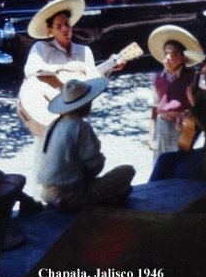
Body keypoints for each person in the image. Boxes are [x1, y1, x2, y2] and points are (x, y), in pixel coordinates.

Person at [37, 77, 136, 212]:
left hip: (47, 193)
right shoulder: (80, 126)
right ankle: (80, 203)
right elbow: (95, 166)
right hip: (69, 195)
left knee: (117, 187)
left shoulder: (53, 124)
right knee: (127, 170)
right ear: (85, 104)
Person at [149, 49, 206, 182]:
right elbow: (194, 127)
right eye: (203, 73)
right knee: (164, 159)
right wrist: (186, 117)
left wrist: (194, 105)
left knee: (176, 171)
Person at [18, 0, 102, 137]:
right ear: (50, 30)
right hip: (47, 112)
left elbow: (92, 80)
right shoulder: (41, 48)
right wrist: (63, 68)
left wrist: (110, 68)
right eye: (59, 26)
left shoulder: (84, 51)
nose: (65, 29)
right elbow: (31, 70)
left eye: (67, 24)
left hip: (75, 110)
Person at [147, 25, 204, 162]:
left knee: (178, 162)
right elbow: (154, 108)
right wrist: (150, 136)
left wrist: (187, 116)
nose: (168, 57)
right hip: (162, 126)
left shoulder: (193, 77)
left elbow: (200, 106)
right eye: (166, 53)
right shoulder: (159, 78)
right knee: (160, 162)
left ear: (183, 57)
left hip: (182, 127)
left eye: (173, 53)